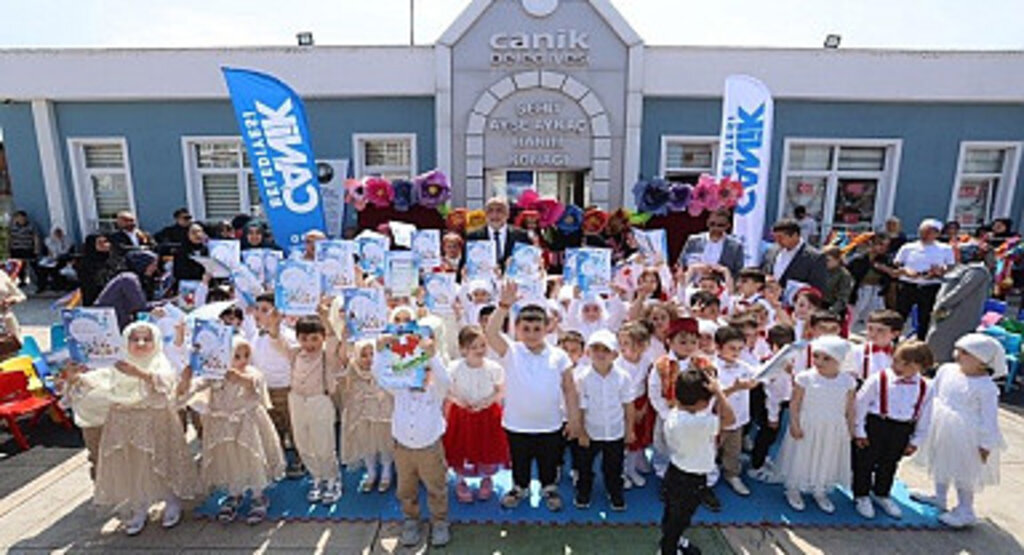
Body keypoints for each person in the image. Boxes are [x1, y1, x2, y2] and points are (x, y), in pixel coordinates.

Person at [75, 321, 198, 536]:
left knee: (161, 458)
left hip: (155, 420)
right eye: (135, 339)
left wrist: (139, 373)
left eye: (147, 339)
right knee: (133, 462)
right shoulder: (117, 363)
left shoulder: (159, 361)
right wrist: (76, 376)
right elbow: (99, 380)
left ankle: (171, 500)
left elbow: (165, 382)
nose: (141, 343)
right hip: (125, 421)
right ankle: (139, 504)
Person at [485, 281, 580, 512]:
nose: (531, 334)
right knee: (520, 460)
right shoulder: (511, 351)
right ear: (517, 329)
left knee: (549, 461)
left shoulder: (559, 356)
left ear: (547, 328)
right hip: (517, 423)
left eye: (537, 329)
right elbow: (490, 333)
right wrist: (503, 306)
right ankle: (520, 487)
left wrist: (574, 419)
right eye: (525, 329)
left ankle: (549, 488)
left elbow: (569, 389)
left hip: (550, 424)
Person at [185, 337, 285, 524]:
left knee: (252, 456)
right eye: (236, 356)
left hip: (246, 423)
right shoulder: (214, 376)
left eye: (246, 355)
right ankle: (234, 492)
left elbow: (254, 384)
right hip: (223, 426)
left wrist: (238, 377)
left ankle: (258, 494)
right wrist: (188, 375)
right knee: (229, 458)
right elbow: (195, 387)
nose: (243, 360)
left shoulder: (251, 372)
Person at [911, 333, 1005, 528]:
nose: (957, 355)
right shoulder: (947, 370)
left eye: (965, 353)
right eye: (958, 350)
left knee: (963, 470)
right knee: (941, 460)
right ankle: (939, 496)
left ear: (982, 361)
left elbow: (989, 419)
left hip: (965, 433)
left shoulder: (986, 387)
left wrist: (986, 444)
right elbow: (934, 392)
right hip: (941, 423)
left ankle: (965, 509)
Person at [382, 336, 452, 548]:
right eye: (413, 370)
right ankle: (411, 519)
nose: (419, 375)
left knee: (436, 487)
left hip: (430, 449)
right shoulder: (398, 390)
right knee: (406, 488)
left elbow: (445, 379)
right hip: (403, 449)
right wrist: (381, 351)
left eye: (425, 370)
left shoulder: (436, 391)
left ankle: (439, 521)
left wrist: (433, 356)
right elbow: (381, 375)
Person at [853, 340, 934, 520]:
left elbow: (925, 416)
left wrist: (916, 440)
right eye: (896, 361)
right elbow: (860, 405)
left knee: (890, 462)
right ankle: (861, 495)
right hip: (877, 424)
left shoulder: (926, 387)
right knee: (865, 461)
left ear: (921, 366)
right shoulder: (879, 379)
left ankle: (881, 493)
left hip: (902, 428)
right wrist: (859, 431)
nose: (899, 367)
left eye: (907, 364)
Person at [776, 335, 857, 513]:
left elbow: (850, 407)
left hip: (833, 427)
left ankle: (819, 488)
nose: (819, 361)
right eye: (816, 356)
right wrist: (794, 423)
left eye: (826, 358)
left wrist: (851, 428)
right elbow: (795, 403)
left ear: (840, 360)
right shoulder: (805, 377)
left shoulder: (847, 381)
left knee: (826, 456)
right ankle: (794, 488)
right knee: (802, 455)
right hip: (808, 424)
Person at [660, 367, 736, 555]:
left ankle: (671, 540)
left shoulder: (676, 413)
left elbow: (705, 407)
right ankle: (668, 549)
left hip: (675, 472)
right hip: (691, 479)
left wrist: (724, 391)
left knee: (672, 514)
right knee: (681, 518)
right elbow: (730, 419)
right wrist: (719, 392)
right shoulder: (698, 424)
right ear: (702, 402)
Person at [443, 326, 507, 503]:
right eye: (474, 347)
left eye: (482, 345)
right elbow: (446, 390)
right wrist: (459, 401)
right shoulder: (454, 367)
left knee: (487, 446)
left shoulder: (494, 368)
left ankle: (487, 478)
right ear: (463, 349)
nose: (479, 350)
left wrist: (487, 402)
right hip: (462, 415)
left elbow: (500, 390)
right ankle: (461, 480)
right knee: (460, 446)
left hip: (487, 415)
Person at [572, 330, 634, 511]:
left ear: (615, 354)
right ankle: (584, 491)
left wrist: (629, 430)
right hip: (591, 431)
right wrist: (582, 432)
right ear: (588, 352)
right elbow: (580, 407)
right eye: (596, 349)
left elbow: (628, 405)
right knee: (584, 465)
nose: (600, 354)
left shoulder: (623, 377)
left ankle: (614, 491)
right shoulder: (583, 378)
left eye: (605, 350)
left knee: (614, 466)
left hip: (615, 430)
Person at [289, 314, 345, 504]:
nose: (309, 344)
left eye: (314, 338)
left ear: (322, 337)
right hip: (296, 400)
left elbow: (333, 338)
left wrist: (324, 313)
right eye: (304, 338)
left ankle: (332, 479)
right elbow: (276, 337)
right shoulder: (295, 353)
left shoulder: (327, 355)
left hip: (320, 400)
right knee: (303, 442)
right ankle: (316, 477)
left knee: (324, 443)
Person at [250, 293, 303, 478]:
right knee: (274, 428)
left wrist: (274, 330)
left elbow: (288, 352)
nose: (258, 314)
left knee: (293, 426)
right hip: (266, 389)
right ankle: (278, 461)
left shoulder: (288, 335)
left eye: (265, 310)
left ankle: (300, 460)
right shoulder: (255, 335)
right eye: (257, 309)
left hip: (287, 388)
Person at [339, 339, 395, 493]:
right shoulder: (353, 370)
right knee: (366, 445)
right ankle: (371, 472)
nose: (369, 359)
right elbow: (348, 392)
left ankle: (386, 472)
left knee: (385, 444)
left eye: (372, 354)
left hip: (382, 415)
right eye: (364, 355)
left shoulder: (384, 370)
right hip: (362, 415)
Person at [713, 325, 758, 497]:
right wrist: (735, 388)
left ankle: (732, 474)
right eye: (732, 348)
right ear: (718, 347)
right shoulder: (711, 367)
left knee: (734, 449)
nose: (737, 353)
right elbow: (712, 395)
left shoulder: (744, 366)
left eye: (740, 348)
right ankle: (705, 477)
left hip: (738, 417)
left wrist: (755, 382)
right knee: (711, 449)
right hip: (716, 419)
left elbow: (758, 376)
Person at [893, 219, 955, 340]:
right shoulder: (908, 247)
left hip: (931, 285)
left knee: (926, 316)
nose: (925, 235)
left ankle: (921, 340)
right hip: (908, 284)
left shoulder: (945, 248)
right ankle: (893, 339)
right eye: (923, 231)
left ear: (937, 234)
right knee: (900, 314)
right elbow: (897, 263)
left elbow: (951, 266)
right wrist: (906, 271)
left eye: (929, 232)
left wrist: (940, 271)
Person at [926, 261, 992, 362]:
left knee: (946, 345)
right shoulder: (960, 268)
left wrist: (943, 303)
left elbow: (960, 291)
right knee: (935, 340)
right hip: (944, 315)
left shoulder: (978, 272)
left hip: (958, 317)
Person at [616, 322, 655, 489]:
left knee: (639, 436)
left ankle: (637, 461)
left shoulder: (647, 362)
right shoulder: (618, 365)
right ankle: (625, 471)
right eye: (622, 343)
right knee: (627, 439)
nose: (625, 348)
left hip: (641, 402)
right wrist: (631, 411)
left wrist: (644, 407)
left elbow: (649, 385)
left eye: (629, 343)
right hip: (624, 405)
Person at [94, 250, 164, 330]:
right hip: (107, 322)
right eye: (152, 265)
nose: (155, 268)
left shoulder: (131, 278)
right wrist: (164, 303)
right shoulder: (129, 279)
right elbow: (140, 306)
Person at [762, 219, 828, 293]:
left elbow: (817, 288)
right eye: (775, 237)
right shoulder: (772, 251)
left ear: (795, 235)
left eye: (781, 237)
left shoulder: (814, 257)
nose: (777, 241)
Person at [677, 209, 745, 277]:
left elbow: (738, 272)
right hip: (693, 281)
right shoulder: (693, 240)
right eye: (712, 224)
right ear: (707, 223)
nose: (715, 228)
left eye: (720, 225)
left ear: (727, 226)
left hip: (721, 282)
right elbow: (680, 264)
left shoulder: (735, 246)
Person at [847, 234, 894, 330]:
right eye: (880, 244)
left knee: (879, 316)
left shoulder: (885, 260)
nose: (883, 248)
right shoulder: (858, 259)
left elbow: (892, 274)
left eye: (886, 245)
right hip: (861, 289)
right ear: (871, 244)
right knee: (853, 315)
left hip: (877, 290)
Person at [465, 197, 530, 266]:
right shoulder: (473, 237)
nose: (494, 215)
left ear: (507, 214)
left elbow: (527, 264)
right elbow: (465, 264)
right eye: (490, 211)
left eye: (499, 210)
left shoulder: (521, 236)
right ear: (485, 214)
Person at [79, 233, 123, 306]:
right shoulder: (87, 264)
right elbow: (95, 283)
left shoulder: (114, 258)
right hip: (97, 300)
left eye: (106, 242)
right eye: (100, 243)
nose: (105, 245)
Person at [34, 225, 74, 293]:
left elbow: (66, 251)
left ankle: (59, 286)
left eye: (59, 232)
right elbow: (48, 252)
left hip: (63, 259)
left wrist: (60, 243)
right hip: (51, 260)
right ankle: (41, 286)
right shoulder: (49, 240)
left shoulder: (67, 240)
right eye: (56, 232)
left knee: (56, 268)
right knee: (41, 268)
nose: (58, 234)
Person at [822, 246, 854, 322]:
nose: (824, 262)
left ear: (837, 260)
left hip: (832, 309)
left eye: (828, 260)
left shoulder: (844, 275)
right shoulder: (821, 270)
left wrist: (831, 312)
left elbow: (843, 298)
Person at [8, 210, 39, 286]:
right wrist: (9, 248)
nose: (21, 220)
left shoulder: (31, 226)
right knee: (19, 266)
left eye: (23, 218)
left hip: (27, 248)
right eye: (19, 218)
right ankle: (22, 281)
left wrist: (36, 248)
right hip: (16, 248)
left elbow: (35, 237)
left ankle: (37, 281)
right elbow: (10, 237)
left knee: (32, 265)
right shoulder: (12, 226)